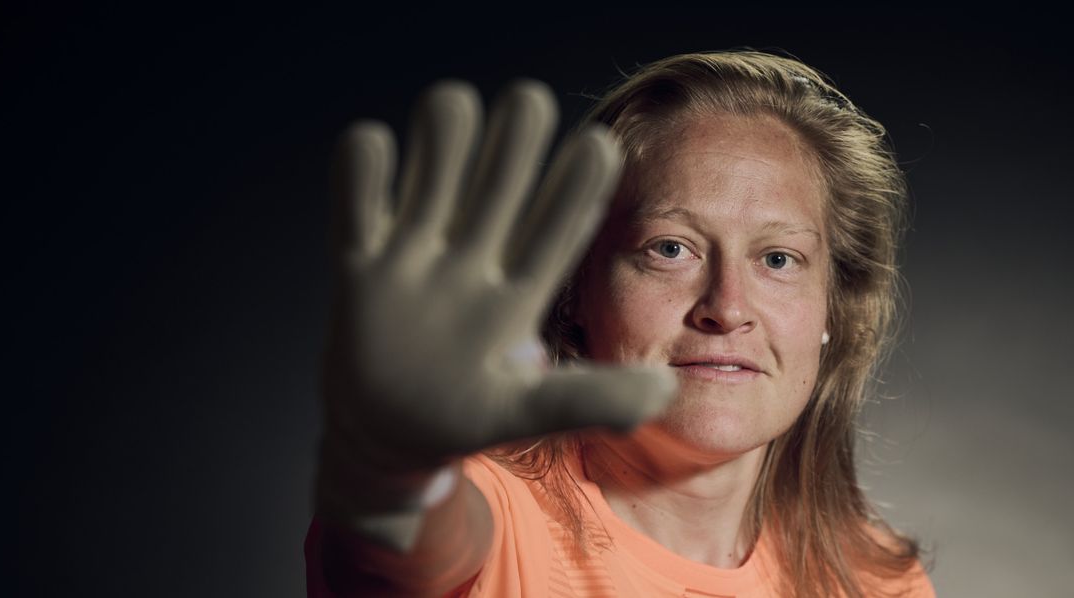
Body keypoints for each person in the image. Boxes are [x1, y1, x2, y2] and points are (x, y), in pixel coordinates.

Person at [306, 50, 935, 597]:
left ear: (832, 308)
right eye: (670, 248)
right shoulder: (486, 515)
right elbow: (399, 556)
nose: (727, 308)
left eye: (778, 259)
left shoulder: (878, 582)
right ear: (577, 291)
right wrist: (392, 476)